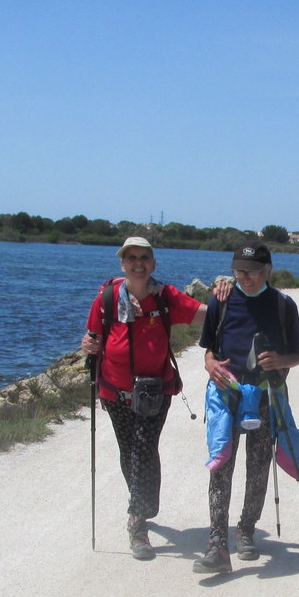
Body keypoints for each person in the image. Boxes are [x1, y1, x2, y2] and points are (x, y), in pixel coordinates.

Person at [81, 236, 210, 561]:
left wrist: (230, 298)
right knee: (130, 453)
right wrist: (89, 345)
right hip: (114, 392)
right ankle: (142, 502)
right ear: (123, 263)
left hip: (155, 391)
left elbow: (203, 315)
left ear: (153, 263)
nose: (138, 263)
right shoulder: (107, 297)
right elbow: (94, 335)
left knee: (142, 449)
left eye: (144, 258)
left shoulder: (165, 297)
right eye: (131, 258)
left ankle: (137, 522)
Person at [193, 242, 299, 574]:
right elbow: (208, 351)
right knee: (220, 466)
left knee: (257, 468)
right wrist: (209, 365)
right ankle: (217, 543)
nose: (246, 277)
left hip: (267, 397)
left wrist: (281, 359)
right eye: (240, 271)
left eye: (253, 271)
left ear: (268, 270)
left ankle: (246, 529)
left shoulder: (284, 306)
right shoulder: (222, 300)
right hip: (226, 395)